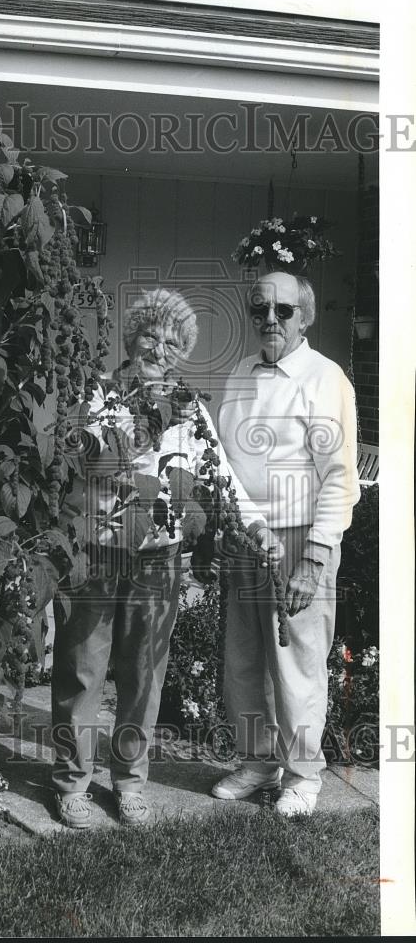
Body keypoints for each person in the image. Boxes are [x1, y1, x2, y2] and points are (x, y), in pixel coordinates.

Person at [51, 288, 280, 828]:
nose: (160, 347)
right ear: (131, 338)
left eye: (173, 341)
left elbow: (219, 475)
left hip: (159, 559)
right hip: (100, 552)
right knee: (84, 670)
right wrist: (140, 429)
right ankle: (71, 783)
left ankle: (129, 781)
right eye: (151, 335)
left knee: (145, 675)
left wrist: (255, 525)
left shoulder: (190, 409)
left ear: (182, 352)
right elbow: (85, 461)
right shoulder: (97, 395)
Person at [212, 270, 360, 816]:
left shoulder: (326, 379)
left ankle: (303, 776)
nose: (269, 320)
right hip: (248, 537)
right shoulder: (240, 375)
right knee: (244, 661)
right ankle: (258, 763)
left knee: (298, 662)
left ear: (306, 316)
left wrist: (315, 557)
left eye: (283, 310)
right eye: (259, 310)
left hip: (301, 537)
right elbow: (226, 460)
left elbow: (340, 477)